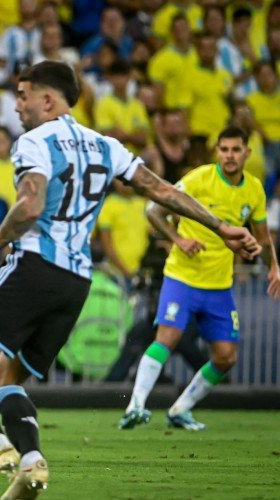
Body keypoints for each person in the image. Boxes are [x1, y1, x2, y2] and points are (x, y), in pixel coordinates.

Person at [0, 61, 260, 499]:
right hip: (77, 281)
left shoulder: (34, 141)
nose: (16, 105)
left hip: (36, 263)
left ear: (47, 99)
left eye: (22, 94)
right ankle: (31, 463)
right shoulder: (105, 145)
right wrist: (221, 227)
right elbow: (162, 190)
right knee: (6, 372)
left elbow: (30, 206)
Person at [119, 126, 280, 431]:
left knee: (225, 357)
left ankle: (180, 409)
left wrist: (274, 267)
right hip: (182, 277)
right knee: (167, 337)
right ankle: (135, 405)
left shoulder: (255, 189)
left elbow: (261, 236)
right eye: (224, 149)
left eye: (235, 150)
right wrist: (178, 241)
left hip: (219, 286)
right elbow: (154, 211)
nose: (229, 156)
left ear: (247, 152)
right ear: (216, 152)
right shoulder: (198, 179)